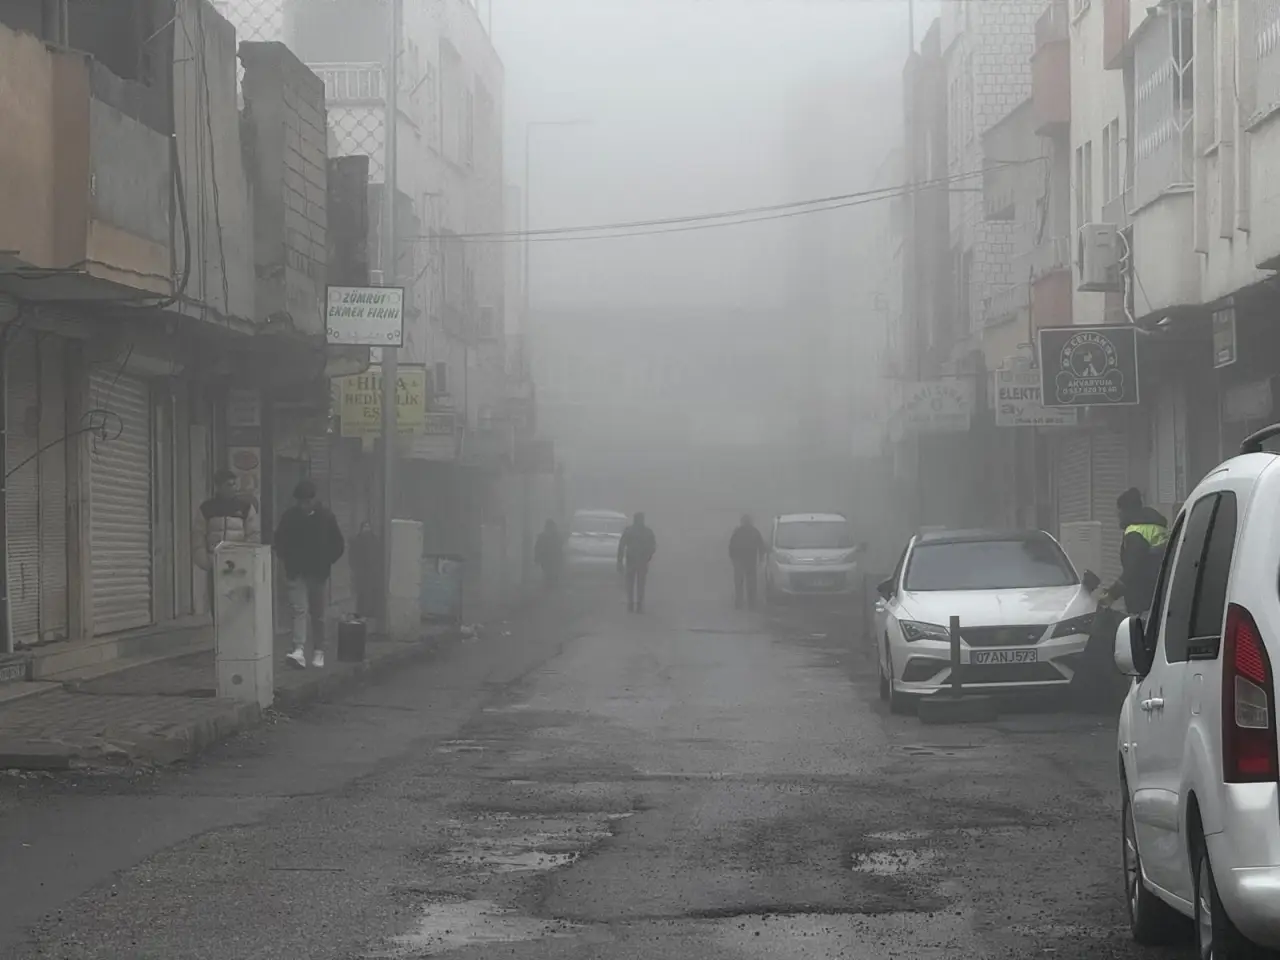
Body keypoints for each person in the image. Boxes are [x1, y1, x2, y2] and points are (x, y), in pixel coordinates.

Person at [273, 480, 346, 669]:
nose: (303, 505)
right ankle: (298, 649)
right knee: (299, 610)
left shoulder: (326, 517)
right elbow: (279, 540)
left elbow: (338, 544)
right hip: (295, 571)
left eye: (306, 501)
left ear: (314, 500)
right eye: (300, 502)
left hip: (318, 573)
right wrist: (286, 559)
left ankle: (319, 650)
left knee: (317, 613)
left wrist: (326, 560)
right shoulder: (289, 517)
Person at [1102, 487, 1170, 615]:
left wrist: (1112, 594)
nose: (1118, 515)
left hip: (1143, 601)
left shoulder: (1135, 532)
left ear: (1127, 511)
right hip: (1162, 595)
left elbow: (1133, 570)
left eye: (1120, 511)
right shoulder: (1157, 526)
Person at [193, 469, 260, 572]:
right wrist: (204, 562)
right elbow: (198, 535)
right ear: (219, 487)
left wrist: (245, 557)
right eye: (229, 485)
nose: (233, 488)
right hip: (214, 562)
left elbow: (253, 534)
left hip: (239, 563)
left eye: (234, 484)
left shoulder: (245, 507)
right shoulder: (207, 508)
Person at [617, 512, 657, 613]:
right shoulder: (648, 532)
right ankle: (638, 604)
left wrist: (620, 561)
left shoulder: (629, 531)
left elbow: (621, 547)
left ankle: (631, 604)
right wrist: (648, 556)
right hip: (641, 561)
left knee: (630, 584)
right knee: (640, 584)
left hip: (632, 560)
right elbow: (653, 546)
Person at [728, 514, 767, 609]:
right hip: (746, 561)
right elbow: (761, 546)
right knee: (748, 582)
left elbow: (731, 546)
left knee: (742, 582)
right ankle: (749, 603)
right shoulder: (753, 531)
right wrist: (761, 557)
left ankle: (742, 602)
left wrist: (733, 558)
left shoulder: (739, 532)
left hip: (743, 561)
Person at [534, 519, 564, 588]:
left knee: (550, 574)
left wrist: (537, 558)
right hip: (549, 560)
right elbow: (537, 548)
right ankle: (550, 586)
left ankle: (550, 586)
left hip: (550, 560)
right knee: (549, 574)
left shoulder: (543, 536)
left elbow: (537, 548)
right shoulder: (556, 537)